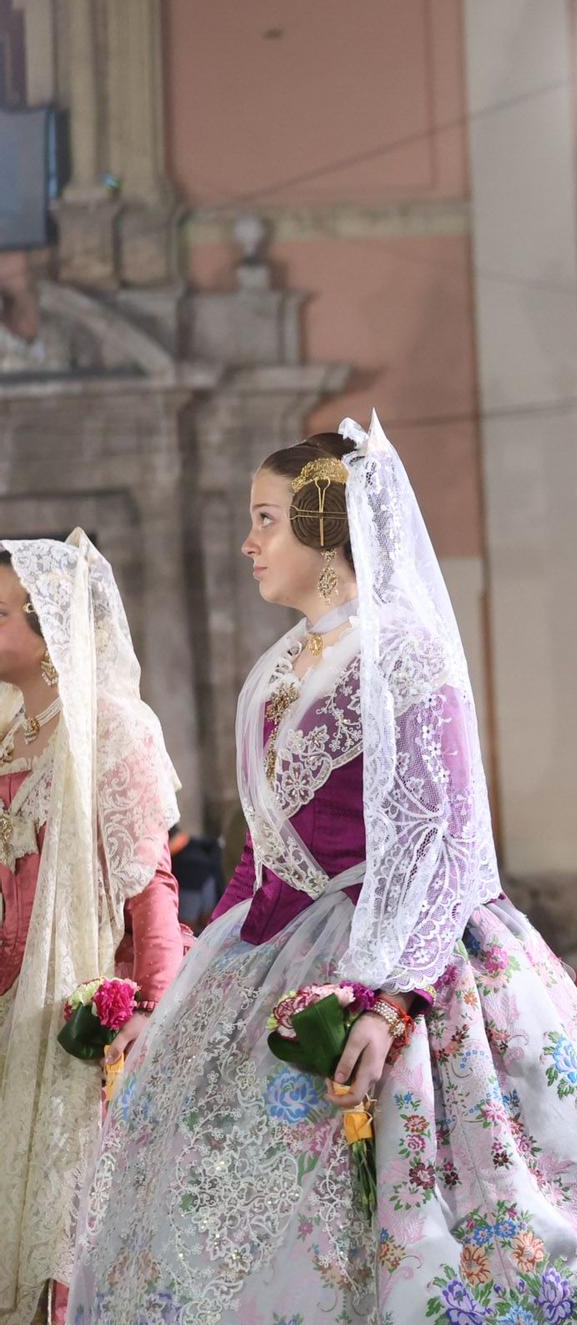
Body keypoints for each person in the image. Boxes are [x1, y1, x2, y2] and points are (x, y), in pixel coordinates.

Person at [70, 417, 577, 1322]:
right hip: (268, 954)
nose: (249, 543)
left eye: (267, 519)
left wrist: (390, 995)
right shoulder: (278, 666)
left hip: (402, 948)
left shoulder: (401, 649)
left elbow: (441, 837)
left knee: (446, 1214)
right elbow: (262, 847)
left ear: (325, 528)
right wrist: (186, 997)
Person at [0, 533, 184, 1325]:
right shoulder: (10, 733)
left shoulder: (114, 727)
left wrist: (148, 1010)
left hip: (74, 1022)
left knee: (68, 1232)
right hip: (8, 1013)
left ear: (48, 629)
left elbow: (153, 888)